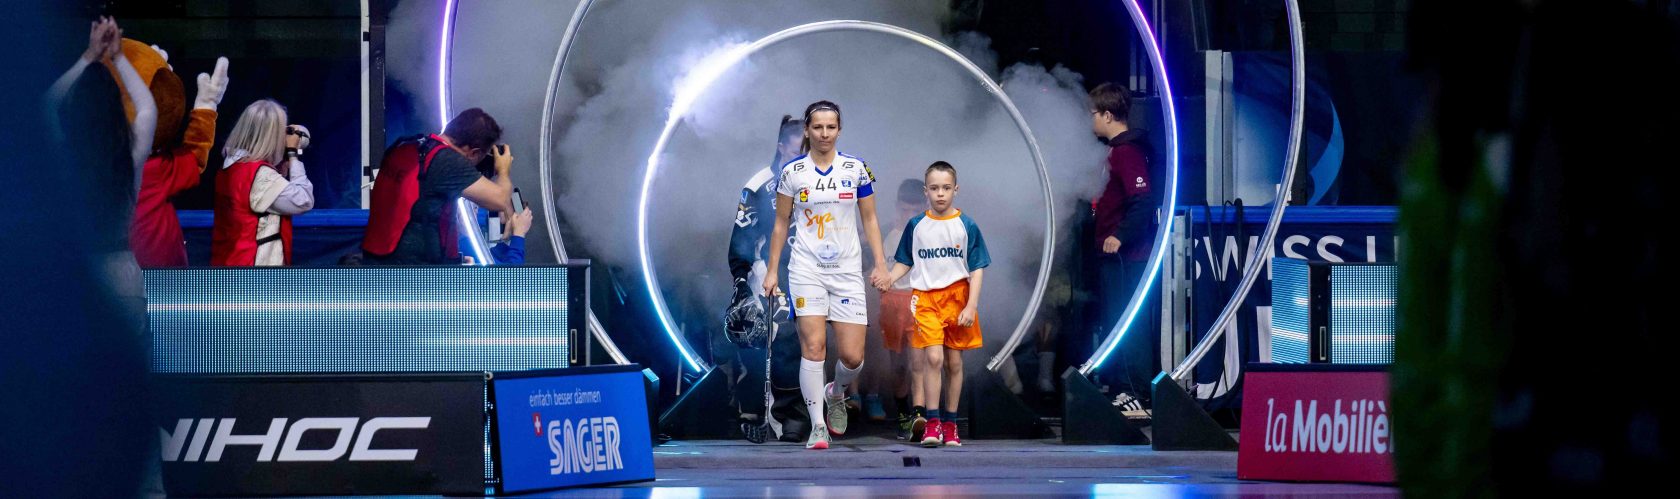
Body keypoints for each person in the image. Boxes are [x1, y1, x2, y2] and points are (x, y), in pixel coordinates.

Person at [43, 16, 160, 496]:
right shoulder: (128, 154)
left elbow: (45, 106)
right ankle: (149, 491)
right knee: (132, 391)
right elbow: (148, 108)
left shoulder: (61, 157)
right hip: (122, 273)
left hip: (75, 279)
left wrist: (89, 57)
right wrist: (117, 59)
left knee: (71, 394)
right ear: (116, 111)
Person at [762, 101, 888, 449]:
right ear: (807, 130)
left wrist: (880, 264)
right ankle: (818, 425)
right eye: (817, 127)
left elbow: (870, 219)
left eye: (831, 127)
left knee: (852, 357)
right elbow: (780, 223)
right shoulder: (792, 172)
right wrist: (772, 271)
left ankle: (836, 391)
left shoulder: (857, 169)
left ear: (839, 130)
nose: (824, 134)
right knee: (814, 347)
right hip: (806, 270)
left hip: (846, 271)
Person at [875, 161, 990, 448]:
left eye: (946, 188)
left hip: (958, 298)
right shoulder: (916, 226)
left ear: (955, 190)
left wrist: (971, 305)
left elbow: (977, 268)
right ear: (926, 192)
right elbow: (905, 261)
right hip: (925, 299)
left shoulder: (967, 225)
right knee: (933, 358)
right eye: (935, 188)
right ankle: (932, 421)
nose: (940, 193)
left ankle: (951, 424)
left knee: (953, 362)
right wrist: (889, 278)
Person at [104, 38, 229, 268]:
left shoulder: (87, 168)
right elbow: (195, 155)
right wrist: (207, 105)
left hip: (115, 270)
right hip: (160, 272)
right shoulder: (155, 167)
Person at [723, 116, 811, 442]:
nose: (805, 154)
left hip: (815, 270)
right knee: (783, 338)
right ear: (781, 147)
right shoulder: (759, 185)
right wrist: (741, 280)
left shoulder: (823, 179)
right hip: (773, 271)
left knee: (814, 341)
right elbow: (742, 235)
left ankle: (818, 408)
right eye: (799, 148)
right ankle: (787, 415)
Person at [368, 108, 515, 264]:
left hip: (382, 259)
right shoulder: (447, 160)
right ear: (474, 152)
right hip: (414, 269)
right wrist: (503, 170)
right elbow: (500, 201)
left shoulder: (412, 147)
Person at [1087, 82, 1157, 410]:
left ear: (1108, 115)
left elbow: (1142, 199)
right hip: (1114, 255)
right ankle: (1120, 386)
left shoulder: (1127, 152)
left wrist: (1120, 235)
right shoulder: (1114, 152)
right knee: (1115, 320)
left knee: (1128, 323)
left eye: (1093, 113)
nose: (1090, 120)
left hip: (1128, 257)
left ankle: (1135, 392)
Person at [210, 99, 313, 266]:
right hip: (256, 272)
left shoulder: (230, 165)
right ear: (272, 136)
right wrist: (293, 155)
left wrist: (280, 166)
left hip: (227, 263)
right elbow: (303, 200)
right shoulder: (260, 175)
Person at [871, 178, 926, 440]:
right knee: (899, 366)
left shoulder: (931, 233)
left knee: (919, 362)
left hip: (920, 301)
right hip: (892, 302)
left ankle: (920, 414)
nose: (910, 216)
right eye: (905, 210)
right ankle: (904, 413)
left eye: (916, 211)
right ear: (896, 207)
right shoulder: (883, 233)